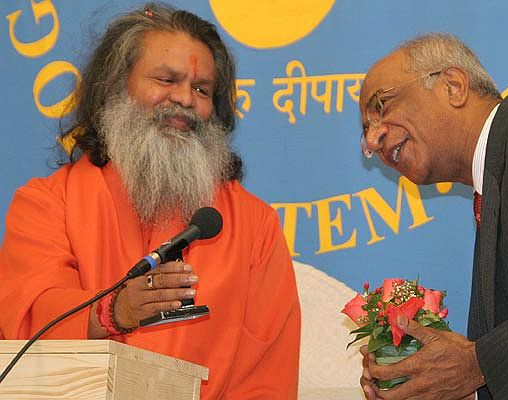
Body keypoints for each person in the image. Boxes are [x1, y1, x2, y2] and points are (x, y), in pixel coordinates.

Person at [0, 3, 301, 399]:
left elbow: (267, 376)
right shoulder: (48, 203)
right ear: (115, 85)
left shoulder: (253, 224)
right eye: (166, 79)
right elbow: (28, 322)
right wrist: (112, 311)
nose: (184, 99)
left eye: (201, 89)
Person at [358, 33, 508, 400]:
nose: (374, 140)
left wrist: (478, 364)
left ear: (453, 86)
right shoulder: (490, 192)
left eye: (382, 107)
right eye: (365, 130)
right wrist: (439, 380)